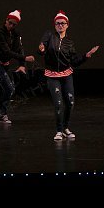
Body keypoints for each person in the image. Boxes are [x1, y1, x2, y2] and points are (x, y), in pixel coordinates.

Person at [38, 10, 99, 141]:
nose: (60, 25)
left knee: (70, 102)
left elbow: (74, 62)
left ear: (67, 25)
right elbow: (42, 48)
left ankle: (65, 128)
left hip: (66, 75)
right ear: (55, 25)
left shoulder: (69, 42)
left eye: (62, 23)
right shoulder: (49, 35)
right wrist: (41, 49)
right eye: (58, 23)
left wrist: (86, 56)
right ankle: (59, 130)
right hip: (52, 75)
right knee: (58, 104)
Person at [0, 10, 35, 123]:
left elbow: (19, 48)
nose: (11, 26)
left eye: (14, 24)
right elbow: (6, 51)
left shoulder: (16, 33)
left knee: (10, 89)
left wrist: (22, 65)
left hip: (5, 64)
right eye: (10, 23)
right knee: (9, 88)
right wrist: (25, 58)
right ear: (6, 20)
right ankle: (2, 114)